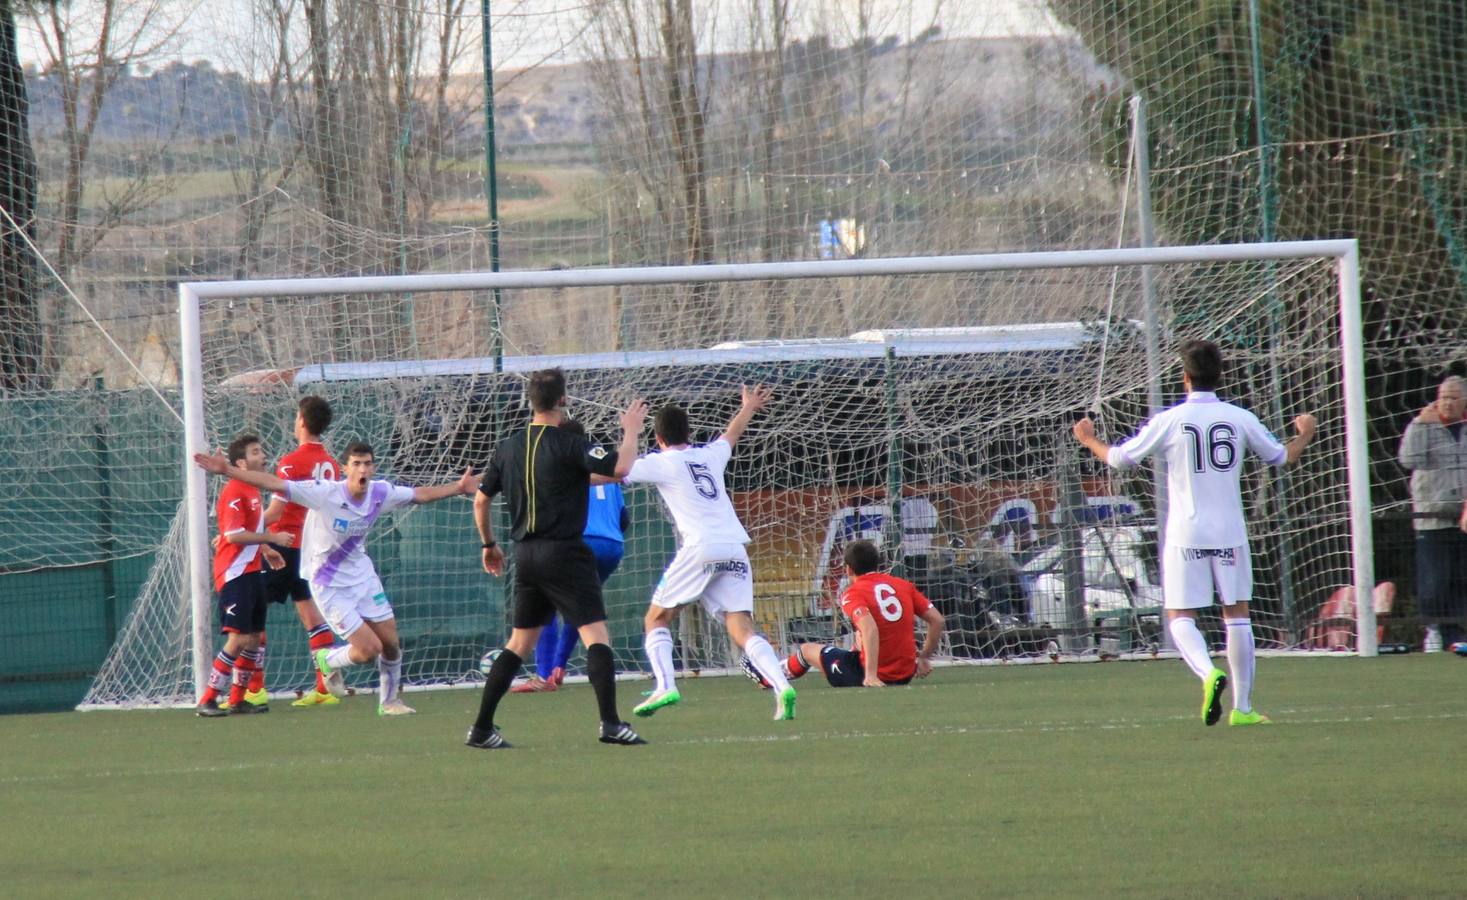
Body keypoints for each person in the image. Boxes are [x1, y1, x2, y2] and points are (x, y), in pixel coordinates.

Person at [1071, 339, 1316, 727]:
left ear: (1184, 378)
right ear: (1220, 377)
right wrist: (1304, 431)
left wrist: (1088, 439)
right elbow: (1282, 456)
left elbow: (1119, 460)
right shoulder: (1239, 417)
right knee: (1237, 616)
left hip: (1186, 531)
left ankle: (1208, 673)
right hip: (1230, 530)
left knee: (1180, 615)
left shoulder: (1170, 420)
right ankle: (1244, 708)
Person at [194, 441, 479, 716]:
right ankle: (326, 659)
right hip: (328, 583)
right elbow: (275, 484)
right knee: (369, 650)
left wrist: (458, 487)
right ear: (345, 469)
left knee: (391, 643)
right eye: (356, 464)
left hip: (363, 577)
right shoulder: (324, 493)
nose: (363, 470)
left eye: (367, 464)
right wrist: (227, 470)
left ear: (373, 467)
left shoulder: (381, 492)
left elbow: (420, 494)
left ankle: (390, 702)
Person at [467, 369, 649, 749]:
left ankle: (482, 728)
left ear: (529, 402)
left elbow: (481, 499)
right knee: (596, 635)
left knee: (518, 644)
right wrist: (631, 429)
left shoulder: (508, 447)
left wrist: (489, 544)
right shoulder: (568, 443)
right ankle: (610, 723)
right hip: (565, 551)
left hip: (526, 556)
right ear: (563, 401)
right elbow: (621, 467)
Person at [627, 385, 799, 722]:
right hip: (734, 547)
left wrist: (631, 429)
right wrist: (748, 407)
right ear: (688, 433)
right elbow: (730, 436)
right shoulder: (708, 455)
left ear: (659, 438)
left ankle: (665, 685)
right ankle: (781, 686)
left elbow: (621, 469)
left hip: (701, 547)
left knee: (656, 619)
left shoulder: (661, 462)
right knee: (743, 630)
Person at [237, 395, 342, 709]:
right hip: (315, 550)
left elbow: (275, 511)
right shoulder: (333, 464)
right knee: (311, 613)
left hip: (287, 545)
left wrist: (239, 529)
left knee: (254, 613)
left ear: (301, 421)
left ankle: (254, 688)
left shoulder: (291, 462)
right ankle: (325, 688)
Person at [511, 419, 629, 693]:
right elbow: (624, 518)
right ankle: (559, 668)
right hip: (612, 545)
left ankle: (543, 675)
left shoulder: (561, 466)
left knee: (546, 604)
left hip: (579, 541)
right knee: (582, 608)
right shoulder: (606, 469)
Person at [195, 433, 292, 717]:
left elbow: (246, 530)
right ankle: (208, 698)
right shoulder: (235, 490)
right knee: (238, 639)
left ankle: (237, 699)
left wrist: (265, 549)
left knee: (255, 637)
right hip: (235, 574)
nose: (262, 456)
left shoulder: (251, 491)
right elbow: (235, 535)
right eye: (255, 452)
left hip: (253, 572)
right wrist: (272, 538)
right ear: (241, 462)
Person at [771, 539, 945, 689]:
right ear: (877, 563)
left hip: (870, 674)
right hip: (905, 674)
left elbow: (870, 628)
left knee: (807, 650)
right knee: (858, 638)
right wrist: (923, 658)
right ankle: (771, 671)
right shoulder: (902, 585)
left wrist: (870, 675)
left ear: (848, 569)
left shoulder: (853, 593)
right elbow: (937, 620)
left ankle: (768, 676)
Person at [1399, 376, 1467, 652]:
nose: (1447, 403)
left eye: (1453, 397)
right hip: (1432, 518)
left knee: (1460, 580)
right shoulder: (1424, 424)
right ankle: (1435, 630)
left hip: (1463, 517)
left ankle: (1457, 635)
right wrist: (1419, 424)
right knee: (1435, 582)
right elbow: (1408, 460)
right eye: (1443, 397)